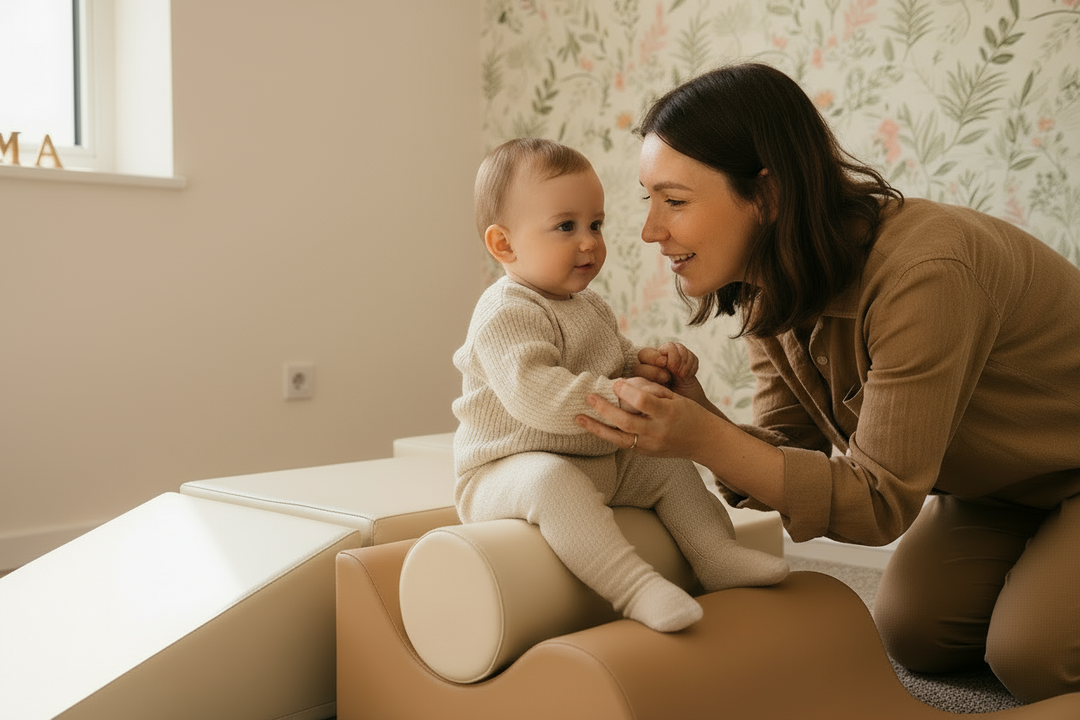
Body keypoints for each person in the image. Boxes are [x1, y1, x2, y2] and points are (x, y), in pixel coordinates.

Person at [575, 62, 1080, 702]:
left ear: (768, 194)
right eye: (651, 200)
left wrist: (702, 438)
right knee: (913, 633)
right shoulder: (770, 286)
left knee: (1033, 658)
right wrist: (701, 415)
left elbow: (877, 505)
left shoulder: (928, 271)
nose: (650, 231)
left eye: (675, 201)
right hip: (1002, 490)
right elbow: (790, 448)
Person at [452, 137, 790, 633]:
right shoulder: (505, 311)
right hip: (505, 472)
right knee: (550, 480)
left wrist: (649, 365)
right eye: (566, 227)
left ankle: (717, 554)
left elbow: (615, 357)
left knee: (670, 462)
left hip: (594, 456)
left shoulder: (588, 306)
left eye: (596, 224)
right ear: (504, 244)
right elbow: (536, 394)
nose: (589, 242)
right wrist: (623, 396)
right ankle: (634, 588)